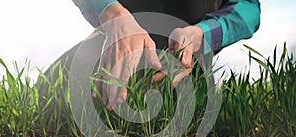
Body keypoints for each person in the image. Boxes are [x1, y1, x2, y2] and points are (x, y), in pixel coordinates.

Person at [43, 0, 260, 110]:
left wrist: (200, 34)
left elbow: (247, 8)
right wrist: (114, 16)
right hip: (111, 45)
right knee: (46, 95)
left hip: (185, 64)